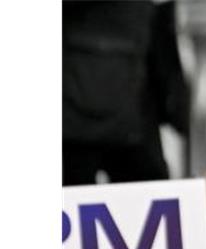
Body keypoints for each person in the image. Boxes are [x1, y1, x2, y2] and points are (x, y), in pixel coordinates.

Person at [62, 0, 190, 185]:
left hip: (135, 104)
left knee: (151, 191)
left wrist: (173, 98)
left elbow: (160, 33)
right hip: (79, 110)